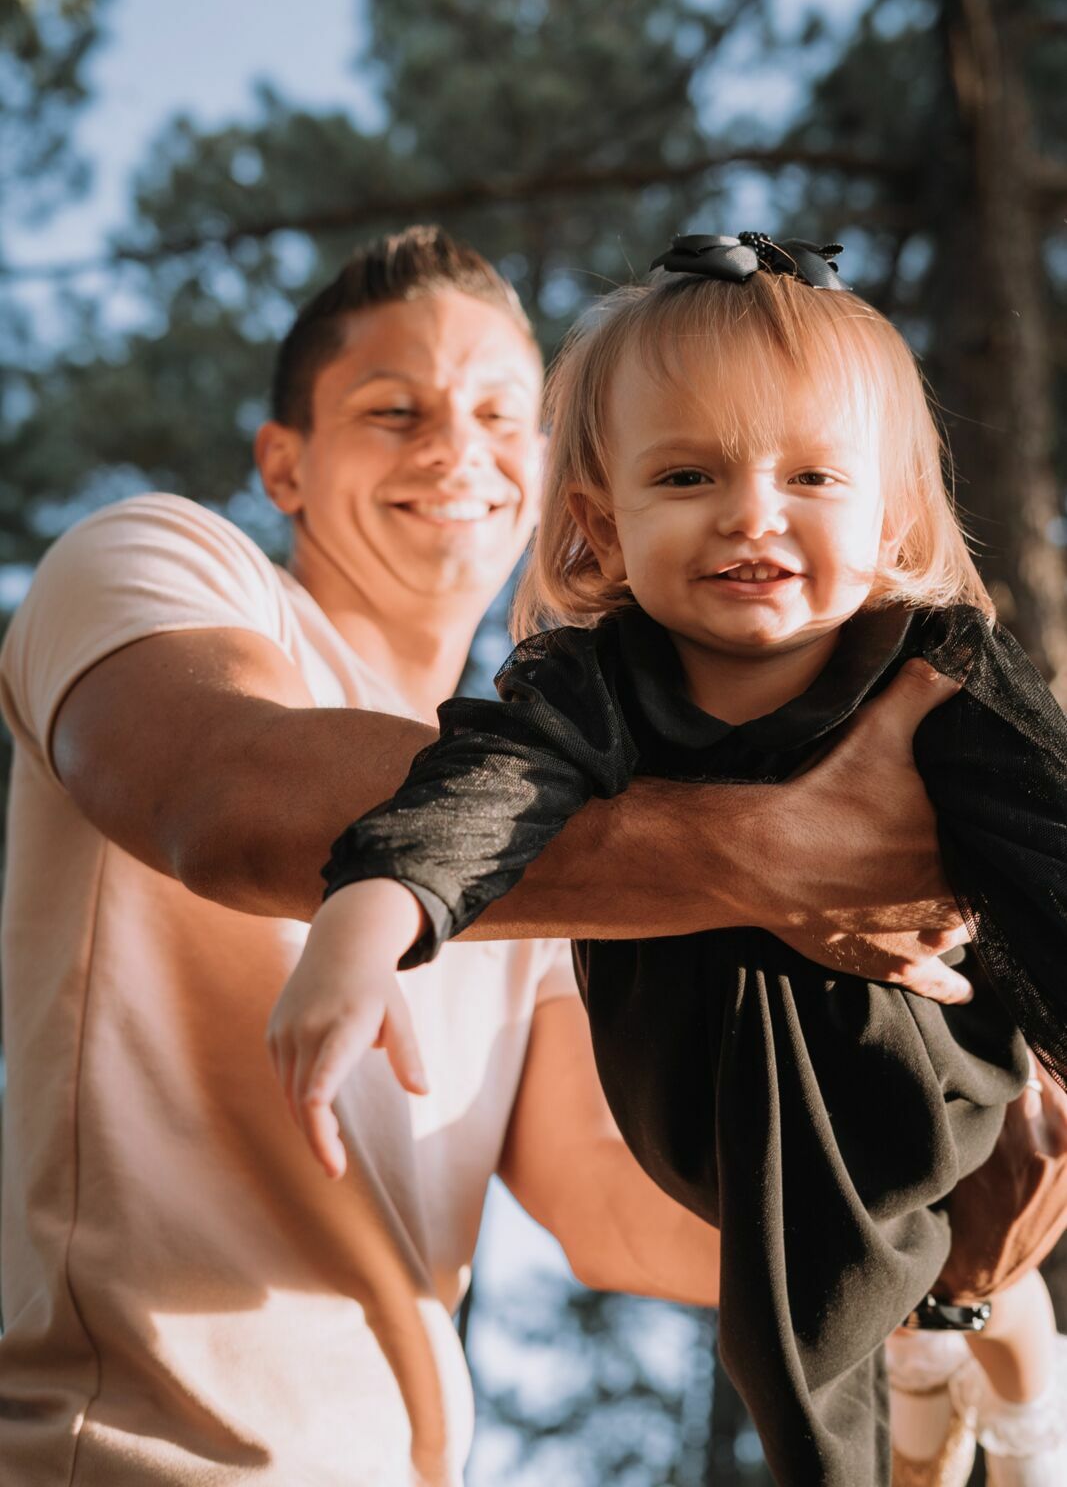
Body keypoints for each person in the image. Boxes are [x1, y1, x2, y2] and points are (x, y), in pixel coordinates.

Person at [0, 226, 976, 1487]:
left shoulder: (581, 808)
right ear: (283, 465)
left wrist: (932, 1246)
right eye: (392, 409)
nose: (454, 448)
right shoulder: (157, 562)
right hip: (130, 1450)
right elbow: (224, 795)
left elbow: (600, 1196)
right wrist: (761, 850)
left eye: (500, 414)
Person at [265, 232, 1067, 1487]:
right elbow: (481, 793)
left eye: (809, 474)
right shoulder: (588, 683)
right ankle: (927, 1378)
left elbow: (1047, 859)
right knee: (843, 1312)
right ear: (600, 518)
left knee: (948, 1307)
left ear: (892, 509)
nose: (752, 512)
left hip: (921, 1095)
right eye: (689, 473)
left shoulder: (933, 670)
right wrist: (363, 925)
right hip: (711, 1114)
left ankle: (1015, 1423)